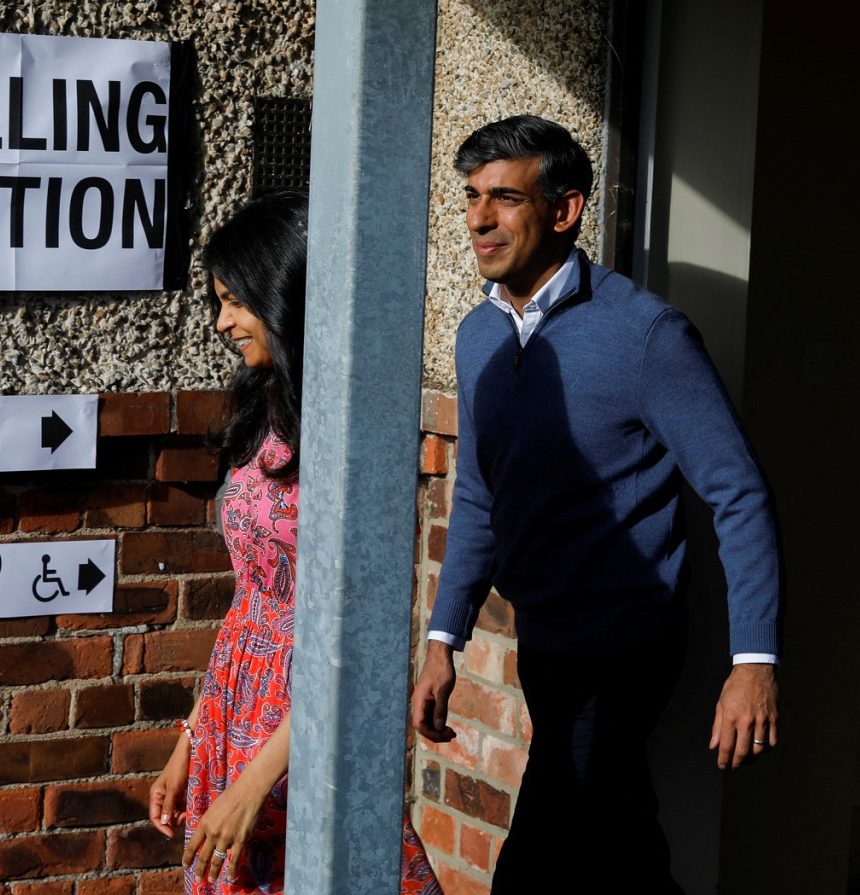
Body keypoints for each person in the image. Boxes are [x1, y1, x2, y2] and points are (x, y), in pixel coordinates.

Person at [409, 116, 784, 892]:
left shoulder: (645, 335)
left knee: (545, 845)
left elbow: (738, 490)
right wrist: (445, 635)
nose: (479, 218)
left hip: (626, 641)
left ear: (565, 208)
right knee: (616, 842)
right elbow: (479, 494)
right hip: (546, 638)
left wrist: (754, 660)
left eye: (505, 199)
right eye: (472, 197)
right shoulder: (479, 336)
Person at [148, 189, 440, 895]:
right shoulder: (264, 406)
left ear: (285, 292)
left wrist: (257, 780)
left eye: (235, 300)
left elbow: (360, 637)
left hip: (307, 725)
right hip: (236, 712)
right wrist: (194, 737)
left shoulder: (356, 431)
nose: (221, 321)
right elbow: (249, 602)